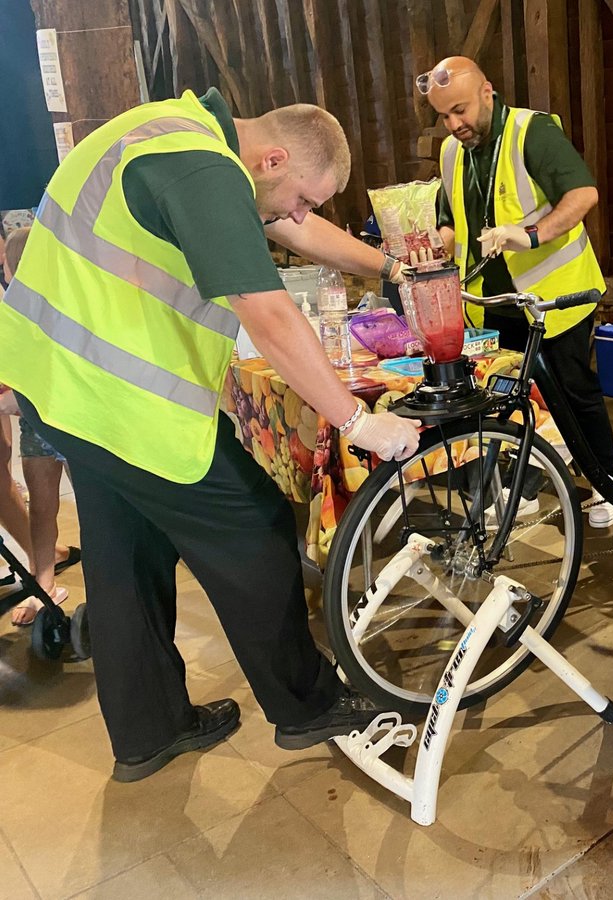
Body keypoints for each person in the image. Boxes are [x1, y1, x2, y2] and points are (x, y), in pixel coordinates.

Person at [0, 88, 422, 782]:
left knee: (126, 557)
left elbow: (293, 230)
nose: (299, 214)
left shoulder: (168, 132)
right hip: (122, 402)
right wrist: (357, 419)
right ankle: (307, 704)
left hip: (57, 388)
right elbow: (269, 312)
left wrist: (395, 268)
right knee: (255, 527)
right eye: (302, 196)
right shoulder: (201, 165)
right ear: (273, 157)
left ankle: (149, 732)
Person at [423, 55, 613, 528]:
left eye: (461, 110)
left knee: (574, 394)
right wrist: (434, 245)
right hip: (492, 303)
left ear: (487, 91)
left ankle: (605, 485)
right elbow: (450, 221)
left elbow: (583, 195)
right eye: (444, 116)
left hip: (555, 298)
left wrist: (530, 234)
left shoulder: (532, 132)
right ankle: (521, 488)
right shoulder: (452, 152)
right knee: (507, 397)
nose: (455, 124)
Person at [1, 227, 79, 625]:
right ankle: (42, 582)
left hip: (75, 422)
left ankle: (108, 586)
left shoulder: (70, 308)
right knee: (42, 507)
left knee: (93, 509)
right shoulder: (14, 313)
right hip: (39, 424)